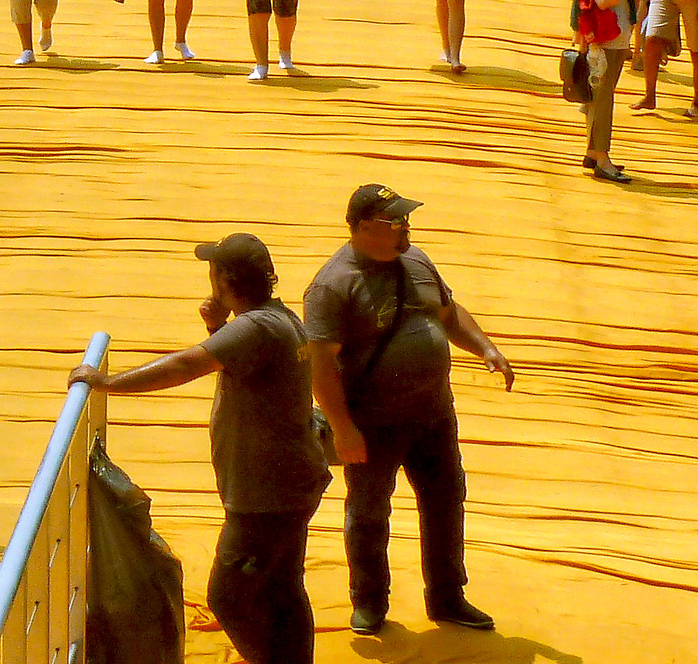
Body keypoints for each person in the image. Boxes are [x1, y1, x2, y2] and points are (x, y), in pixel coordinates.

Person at [70, 235, 328, 664]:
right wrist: (217, 328)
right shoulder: (277, 319)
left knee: (227, 596)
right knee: (283, 587)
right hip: (290, 481)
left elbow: (186, 364)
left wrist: (107, 383)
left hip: (267, 493)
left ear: (223, 279)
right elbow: (245, 366)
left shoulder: (257, 327)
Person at [306, 186, 510, 636]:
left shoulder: (417, 261)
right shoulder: (334, 285)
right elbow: (321, 367)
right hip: (373, 424)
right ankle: (370, 602)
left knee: (444, 503)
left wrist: (485, 348)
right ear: (362, 228)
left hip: (434, 414)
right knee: (369, 513)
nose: (405, 228)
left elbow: (449, 313)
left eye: (404, 220)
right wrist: (342, 428)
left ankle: (447, 596)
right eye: (393, 221)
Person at [575, 0, 651, 180]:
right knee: (602, 100)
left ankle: (594, 153)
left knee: (599, 98)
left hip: (614, 39)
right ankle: (602, 158)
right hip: (605, 40)